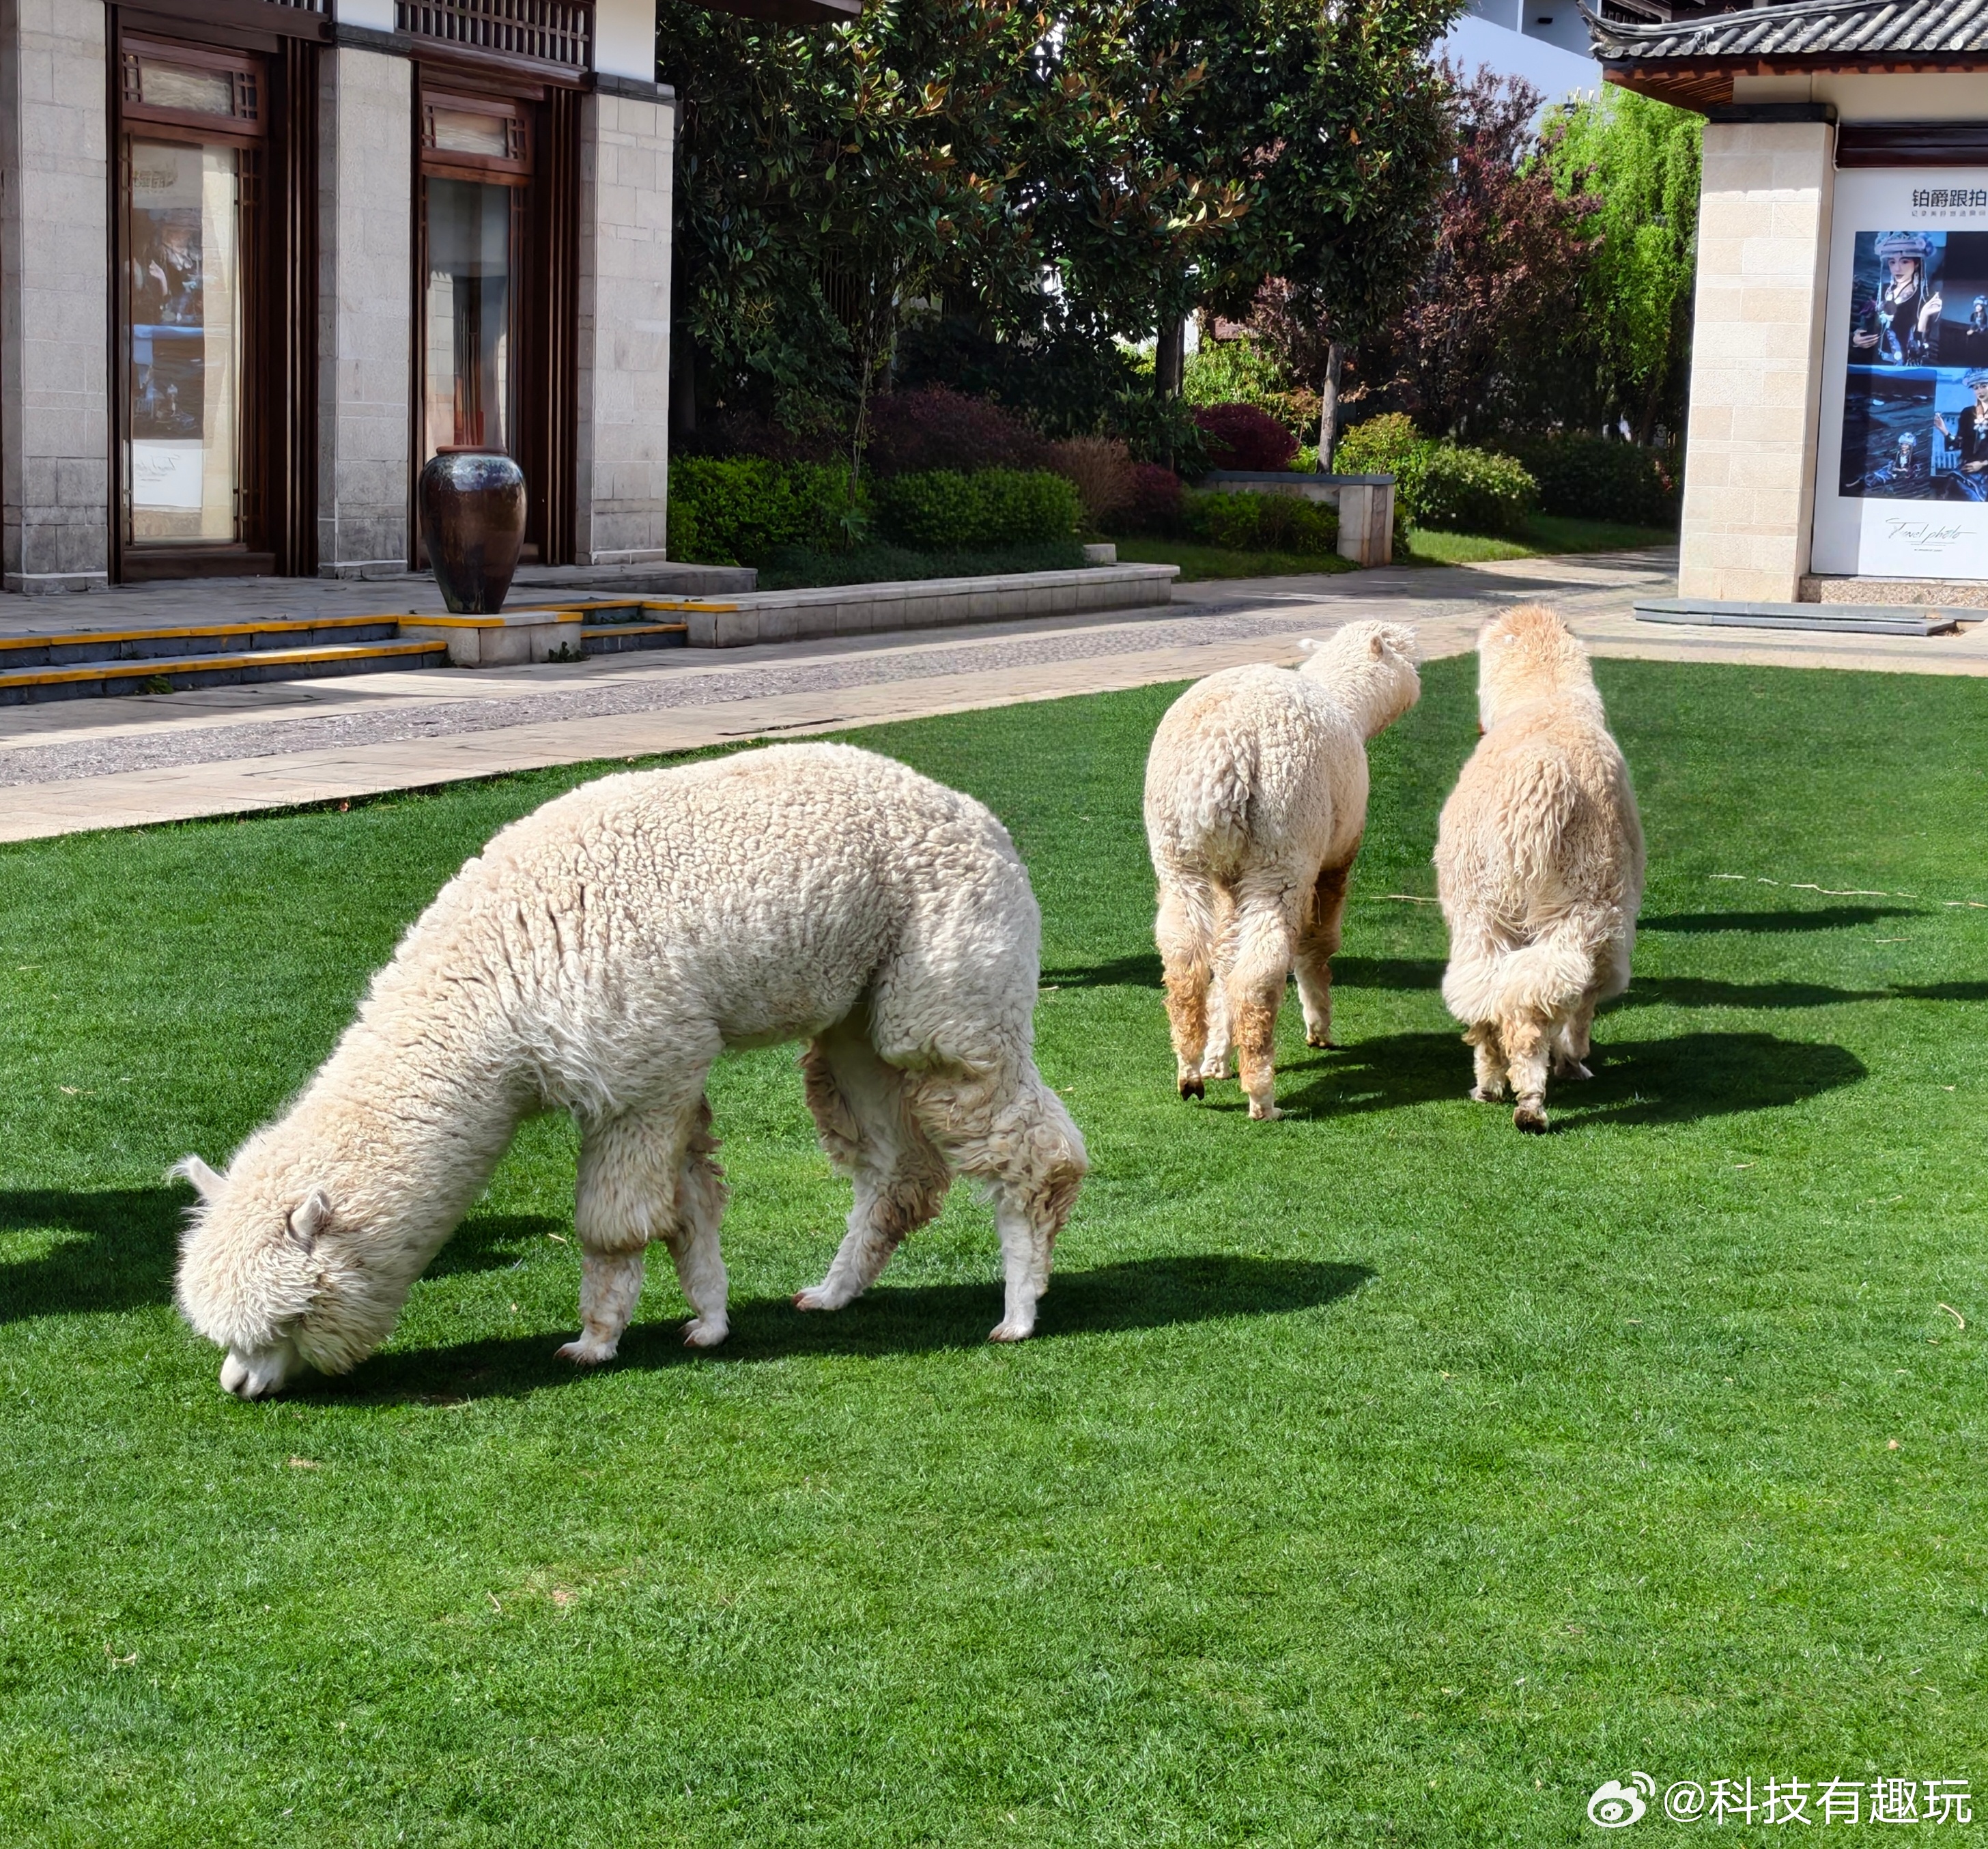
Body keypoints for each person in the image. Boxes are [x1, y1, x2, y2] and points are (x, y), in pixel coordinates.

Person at [1851, 231, 1942, 365]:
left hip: (1908, 367)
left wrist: (1923, 317)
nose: (1897, 268)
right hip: (1876, 362)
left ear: (1916, 264)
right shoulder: (1882, 290)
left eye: (1905, 262)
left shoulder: (1927, 296)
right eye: (1892, 262)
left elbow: (1927, 346)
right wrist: (1857, 338)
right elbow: (1867, 325)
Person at [1935, 369, 1988, 499]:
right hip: (1967, 469)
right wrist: (1944, 431)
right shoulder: (1968, 413)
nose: (1980, 391)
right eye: (1976, 388)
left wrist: (1982, 464)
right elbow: (1960, 443)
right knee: (1951, 490)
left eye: (1984, 386)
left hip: (1985, 470)